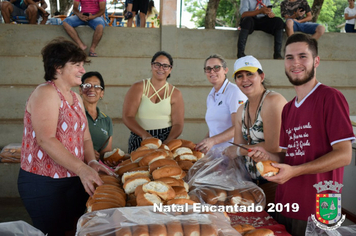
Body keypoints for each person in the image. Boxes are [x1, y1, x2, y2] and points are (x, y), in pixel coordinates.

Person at [246, 33, 355, 236]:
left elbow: (344, 155)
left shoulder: (330, 98)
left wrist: (295, 171)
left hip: (319, 209)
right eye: (289, 57)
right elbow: (289, 156)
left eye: (303, 56)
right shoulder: (288, 108)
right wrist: (268, 156)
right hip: (286, 202)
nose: (295, 62)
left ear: (316, 61)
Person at [17, 38, 112, 236]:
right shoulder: (46, 92)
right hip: (43, 182)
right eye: (76, 65)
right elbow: (46, 139)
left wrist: (92, 162)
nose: (82, 70)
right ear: (58, 67)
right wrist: (82, 168)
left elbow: (85, 138)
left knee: (74, 230)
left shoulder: (76, 97)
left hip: (73, 178)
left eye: (82, 65)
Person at [223, 55, 287, 205]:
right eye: (240, 76)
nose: (245, 79)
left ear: (261, 76)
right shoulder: (241, 109)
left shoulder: (273, 101)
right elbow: (237, 146)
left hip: (275, 181)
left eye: (250, 74)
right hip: (251, 184)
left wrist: (238, 151)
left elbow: (274, 146)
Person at [122, 51, 184, 153]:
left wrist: (168, 141)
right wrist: (145, 135)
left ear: (170, 69)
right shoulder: (138, 87)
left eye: (165, 66)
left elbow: (178, 124)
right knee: (138, 167)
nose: (160, 68)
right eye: (157, 64)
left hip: (166, 139)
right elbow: (127, 116)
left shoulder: (175, 93)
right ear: (151, 66)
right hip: (140, 137)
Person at [196, 54, 247, 154]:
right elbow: (214, 128)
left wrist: (212, 141)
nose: (212, 71)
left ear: (225, 70)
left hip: (231, 155)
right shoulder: (211, 95)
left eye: (216, 68)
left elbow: (238, 127)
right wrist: (203, 143)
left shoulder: (234, 92)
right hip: (215, 156)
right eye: (208, 69)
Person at [80, 71, 113, 163]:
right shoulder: (74, 113)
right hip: (73, 168)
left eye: (97, 87)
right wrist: (85, 152)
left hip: (95, 169)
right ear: (80, 90)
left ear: (102, 93)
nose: (92, 89)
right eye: (87, 86)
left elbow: (106, 153)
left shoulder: (106, 120)